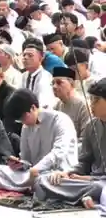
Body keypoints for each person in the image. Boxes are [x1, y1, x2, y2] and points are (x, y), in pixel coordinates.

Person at [0, 89, 77, 192]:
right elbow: (27, 160)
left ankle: (27, 187)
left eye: (23, 117)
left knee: (46, 180)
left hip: (56, 173)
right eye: (20, 120)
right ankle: (28, 187)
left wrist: (37, 169)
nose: (23, 122)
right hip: (33, 174)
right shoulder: (26, 126)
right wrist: (19, 164)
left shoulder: (60, 120)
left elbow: (58, 153)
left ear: (33, 108)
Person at [33, 78, 106, 208]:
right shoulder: (91, 126)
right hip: (88, 182)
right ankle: (88, 199)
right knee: (43, 179)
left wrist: (89, 179)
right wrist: (67, 173)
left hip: (99, 183)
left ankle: (90, 198)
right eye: (90, 100)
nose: (91, 105)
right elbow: (84, 162)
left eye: (96, 100)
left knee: (98, 187)